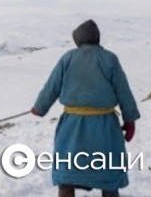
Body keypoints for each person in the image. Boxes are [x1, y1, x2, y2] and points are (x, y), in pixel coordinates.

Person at [31, 19, 140, 197]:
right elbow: (123, 91)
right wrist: (130, 121)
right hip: (105, 127)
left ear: (78, 40)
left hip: (72, 127)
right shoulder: (110, 59)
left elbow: (52, 86)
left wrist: (39, 107)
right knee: (108, 170)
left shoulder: (68, 58)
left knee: (68, 170)